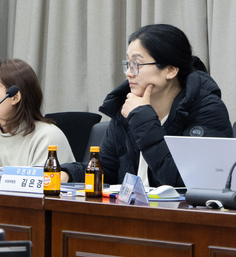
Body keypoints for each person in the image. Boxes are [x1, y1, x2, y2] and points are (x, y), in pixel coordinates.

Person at [91, 24, 232, 187]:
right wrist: (70, 173)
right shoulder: (126, 106)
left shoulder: (207, 110)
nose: (129, 73)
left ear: (170, 70)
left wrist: (141, 118)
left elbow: (186, 181)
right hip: (132, 204)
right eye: (128, 64)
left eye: (137, 64)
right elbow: (105, 170)